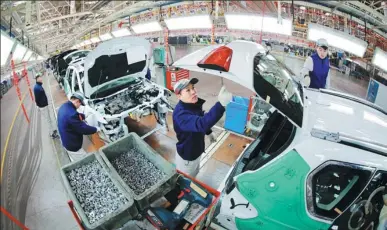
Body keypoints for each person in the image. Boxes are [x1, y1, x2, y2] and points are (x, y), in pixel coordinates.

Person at [172, 78, 233, 177]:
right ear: (179, 96)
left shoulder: (192, 105)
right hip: (188, 158)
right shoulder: (181, 115)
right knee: (187, 179)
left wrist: (208, 132)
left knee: (195, 173)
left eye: (193, 88)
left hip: (197, 151)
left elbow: (200, 118)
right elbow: (201, 123)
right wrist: (221, 104)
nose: (193, 92)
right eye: (188, 90)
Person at [57, 92, 100, 162]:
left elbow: (76, 116)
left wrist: (84, 115)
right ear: (77, 101)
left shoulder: (64, 106)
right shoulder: (71, 115)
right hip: (72, 145)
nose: (79, 106)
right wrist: (96, 129)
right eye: (80, 104)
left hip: (66, 138)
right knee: (85, 162)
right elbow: (83, 129)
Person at [33, 73, 59, 139]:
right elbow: (37, 99)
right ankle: (52, 134)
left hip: (44, 105)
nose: (41, 78)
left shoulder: (39, 86)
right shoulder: (37, 88)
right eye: (40, 78)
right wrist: (40, 106)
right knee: (48, 120)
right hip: (43, 106)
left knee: (49, 119)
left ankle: (52, 130)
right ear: (37, 79)